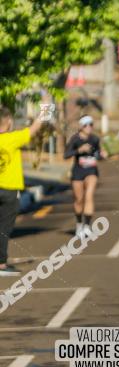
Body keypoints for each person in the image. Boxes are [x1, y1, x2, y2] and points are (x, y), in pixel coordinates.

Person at [0, 105, 47, 276]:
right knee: (4, 226)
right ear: (9, 122)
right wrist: (47, 106)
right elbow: (36, 126)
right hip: (9, 190)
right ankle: (1, 264)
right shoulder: (13, 138)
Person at [64, 116, 108, 238]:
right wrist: (79, 150)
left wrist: (102, 154)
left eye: (91, 124)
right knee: (79, 200)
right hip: (78, 172)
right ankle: (79, 224)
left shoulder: (94, 139)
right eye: (86, 125)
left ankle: (87, 226)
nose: (89, 127)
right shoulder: (75, 139)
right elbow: (66, 155)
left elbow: (98, 154)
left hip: (91, 170)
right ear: (80, 127)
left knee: (89, 196)